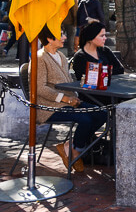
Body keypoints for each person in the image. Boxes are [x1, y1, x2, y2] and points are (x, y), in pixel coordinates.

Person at [36, 25, 108, 172]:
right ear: (49, 39)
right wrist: (65, 99)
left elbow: (68, 81)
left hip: (69, 102)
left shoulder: (61, 56)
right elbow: (40, 88)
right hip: (48, 107)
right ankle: (76, 151)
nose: (65, 37)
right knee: (86, 119)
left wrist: (83, 83)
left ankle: (71, 146)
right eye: (60, 34)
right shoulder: (40, 58)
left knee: (102, 113)